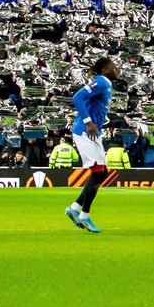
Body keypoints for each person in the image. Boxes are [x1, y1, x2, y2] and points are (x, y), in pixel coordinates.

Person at [65, 57, 118, 233]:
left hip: (94, 133)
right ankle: (84, 216)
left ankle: (74, 208)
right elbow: (78, 97)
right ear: (104, 70)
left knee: (102, 173)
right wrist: (88, 121)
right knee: (98, 173)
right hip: (84, 131)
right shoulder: (101, 82)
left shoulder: (107, 84)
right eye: (113, 66)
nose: (116, 69)